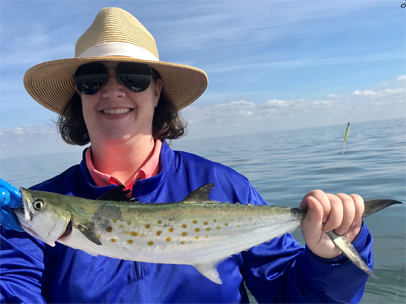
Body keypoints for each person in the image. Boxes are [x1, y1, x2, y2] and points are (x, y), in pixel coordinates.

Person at [0, 7, 372, 304]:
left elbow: (294, 296)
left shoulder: (228, 187)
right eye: (92, 79)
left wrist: (327, 260)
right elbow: (14, 288)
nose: (112, 91)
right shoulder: (29, 220)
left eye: (132, 76)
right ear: (77, 93)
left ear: (157, 89)